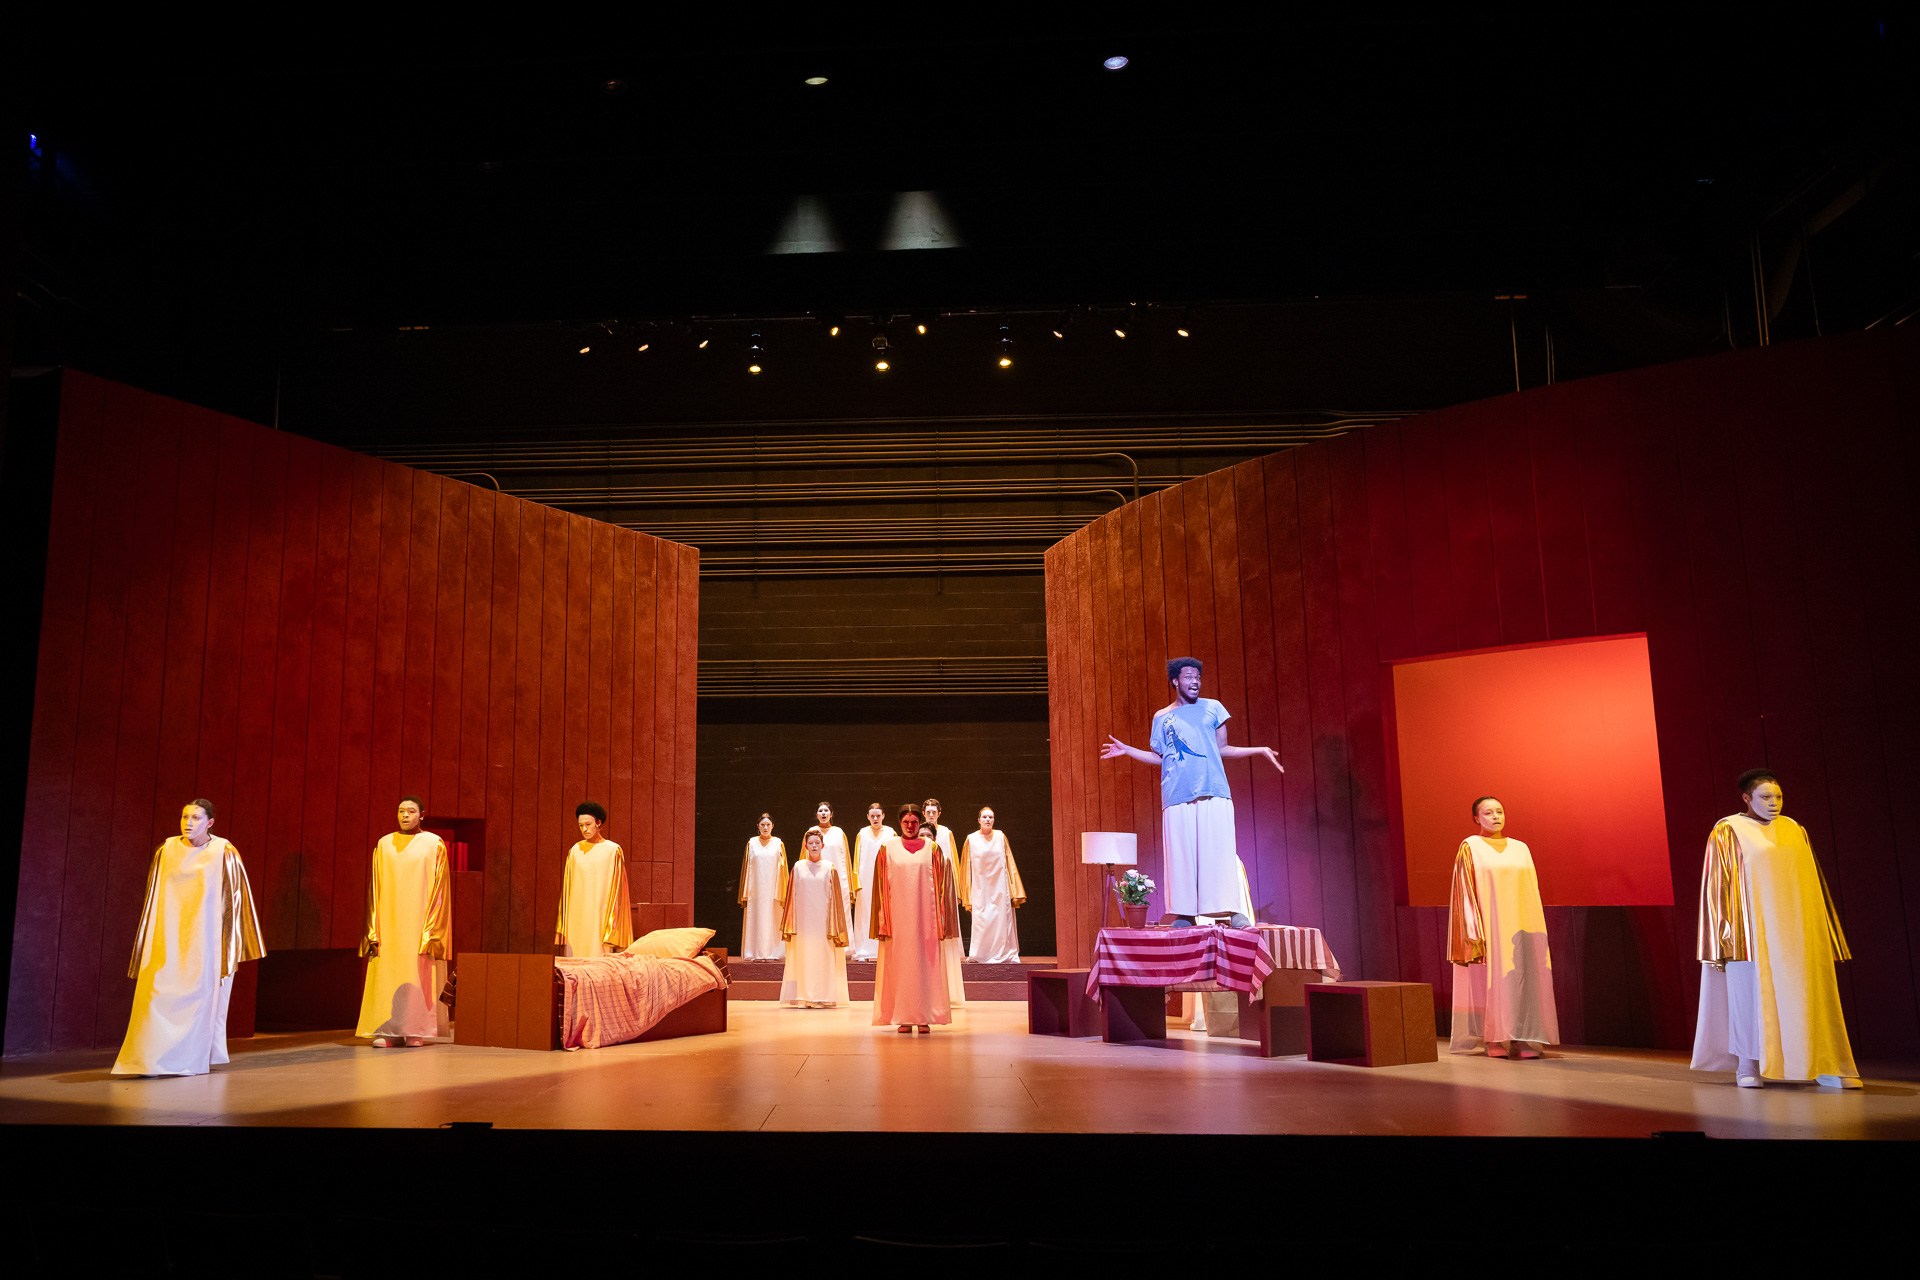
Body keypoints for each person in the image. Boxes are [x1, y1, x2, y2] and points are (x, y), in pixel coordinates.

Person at [1692, 769, 1861, 1089]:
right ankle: (1748, 1066)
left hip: (1795, 928)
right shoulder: (1729, 830)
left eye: (1778, 797)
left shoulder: (1794, 829)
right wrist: (1722, 940)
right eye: (1765, 797)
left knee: (1804, 995)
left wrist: (1821, 930)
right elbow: (1718, 885)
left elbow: (1812, 881)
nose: (1773, 803)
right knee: (1750, 995)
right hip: (1751, 932)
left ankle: (1820, 1064)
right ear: (1747, 798)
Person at [1099, 657, 1283, 926]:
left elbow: (1222, 749)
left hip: (1214, 788)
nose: (1194, 681)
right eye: (1188, 677)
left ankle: (1232, 911)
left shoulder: (1213, 708)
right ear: (1175, 681)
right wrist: (1128, 751)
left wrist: (1259, 750)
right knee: (1181, 855)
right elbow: (1161, 756)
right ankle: (1185, 913)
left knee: (1218, 851)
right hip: (1176, 794)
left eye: (1197, 677)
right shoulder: (1161, 717)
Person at [112, 799, 265, 1076]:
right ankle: (148, 1059)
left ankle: (186, 1059)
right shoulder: (167, 849)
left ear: (210, 823)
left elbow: (233, 902)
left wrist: (226, 947)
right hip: (167, 936)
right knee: (156, 992)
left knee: (197, 996)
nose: (188, 823)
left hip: (203, 939)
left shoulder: (223, 852)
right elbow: (153, 897)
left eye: (195, 818)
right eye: (185, 817)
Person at [1447, 796, 1559, 1059]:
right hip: (1490, 922)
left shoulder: (1521, 848)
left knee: (1523, 980)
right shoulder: (1470, 846)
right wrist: (1474, 931)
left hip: (1521, 925)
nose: (1496, 816)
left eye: (1500, 811)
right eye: (1488, 812)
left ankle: (1523, 1037)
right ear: (1477, 818)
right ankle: (1493, 1038)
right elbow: (1465, 890)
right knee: (1492, 981)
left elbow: (1531, 890)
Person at [356, 795, 453, 1047]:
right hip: (389, 921)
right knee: (388, 971)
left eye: (410, 811)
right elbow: (375, 889)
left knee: (417, 969)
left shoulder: (434, 844)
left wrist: (432, 928)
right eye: (401, 811)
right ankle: (388, 1031)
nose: (405, 816)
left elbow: (441, 890)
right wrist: (373, 930)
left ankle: (415, 1030)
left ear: (422, 815)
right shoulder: (384, 844)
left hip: (419, 920)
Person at [870, 803, 961, 1033]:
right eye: (905, 822)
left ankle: (924, 1016)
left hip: (925, 920)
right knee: (901, 966)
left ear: (920, 823)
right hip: (898, 920)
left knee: (924, 966)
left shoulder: (933, 849)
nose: (910, 826)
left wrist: (941, 919)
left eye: (914, 822)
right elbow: (880, 889)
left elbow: (941, 887)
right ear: (900, 823)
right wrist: (883, 920)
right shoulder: (887, 848)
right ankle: (903, 1016)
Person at [780, 830, 851, 1007]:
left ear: (822, 846)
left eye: (817, 843)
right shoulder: (797, 867)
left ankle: (823, 996)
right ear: (805, 846)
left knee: (822, 957)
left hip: (823, 923)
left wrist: (835, 927)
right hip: (803, 922)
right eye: (810, 843)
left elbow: (836, 900)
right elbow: (790, 898)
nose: (813, 846)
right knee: (802, 957)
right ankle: (802, 997)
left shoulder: (829, 868)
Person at [554, 802, 631, 958]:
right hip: (577, 916)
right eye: (581, 825)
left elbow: (618, 892)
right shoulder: (575, 850)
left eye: (588, 824)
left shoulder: (612, 850)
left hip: (600, 915)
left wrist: (613, 926)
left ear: (598, 823)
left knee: (597, 959)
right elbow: (568, 890)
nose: (584, 829)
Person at [962, 807, 1026, 963]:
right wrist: (967, 892)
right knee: (982, 919)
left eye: (991, 817)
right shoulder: (971, 839)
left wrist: (1014, 889)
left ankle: (1003, 953)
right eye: (984, 817)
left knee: (1001, 919)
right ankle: (980, 953)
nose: (988, 820)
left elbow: (1009, 862)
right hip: (981, 888)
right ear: (979, 820)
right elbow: (966, 867)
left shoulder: (1000, 836)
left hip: (999, 888)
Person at [922, 797, 967, 998]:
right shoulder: (919, 834)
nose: (931, 814)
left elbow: (952, 861)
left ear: (939, 813)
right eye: (928, 812)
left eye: (934, 812)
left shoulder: (946, 833)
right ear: (923, 813)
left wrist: (954, 890)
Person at [739, 813, 789, 961]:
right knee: (756, 916)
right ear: (758, 827)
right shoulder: (752, 843)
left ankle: (774, 951)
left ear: (773, 826)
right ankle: (754, 952)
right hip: (756, 890)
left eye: (768, 825)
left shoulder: (778, 843)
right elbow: (747, 868)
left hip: (773, 889)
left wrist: (783, 892)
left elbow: (783, 868)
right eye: (762, 825)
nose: (765, 827)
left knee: (773, 917)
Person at [849, 802, 894, 962]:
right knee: (865, 914)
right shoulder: (862, 833)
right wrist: (856, 883)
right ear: (868, 817)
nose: (875, 818)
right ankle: (863, 949)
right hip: (865, 881)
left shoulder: (891, 833)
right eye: (872, 816)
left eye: (878, 815)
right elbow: (856, 860)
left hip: (885, 879)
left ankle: (885, 948)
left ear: (883, 816)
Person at [804, 802, 854, 921]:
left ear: (831, 814)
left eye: (826, 811)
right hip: (816, 877)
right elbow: (804, 856)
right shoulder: (812, 831)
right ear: (816, 815)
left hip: (837, 879)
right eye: (820, 811)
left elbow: (846, 859)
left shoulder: (839, 832)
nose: (823, 813)